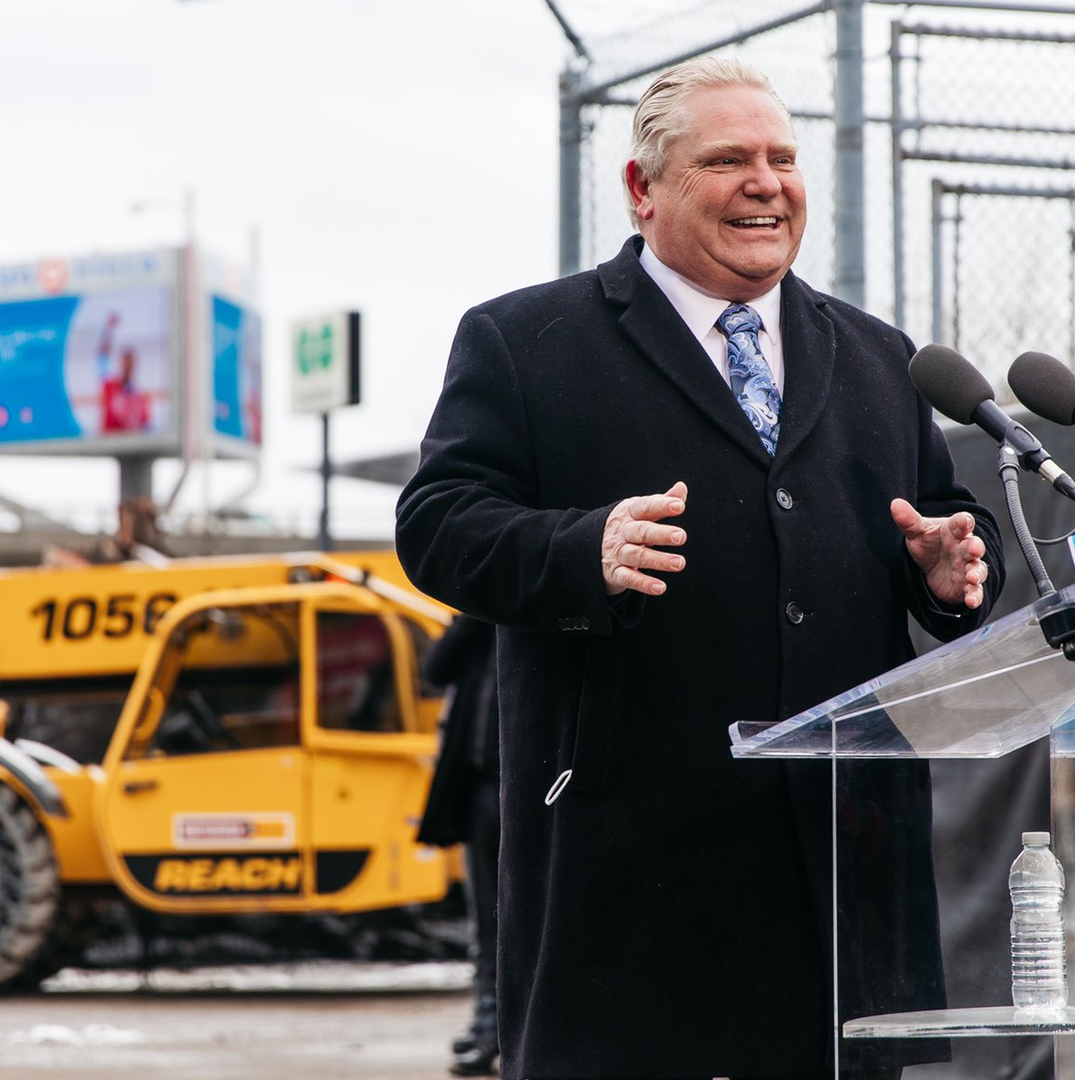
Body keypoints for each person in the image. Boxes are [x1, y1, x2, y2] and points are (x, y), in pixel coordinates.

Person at [394, 56, 1004, 1080]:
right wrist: (576, 550)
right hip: (631, 872)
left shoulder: (877, 356)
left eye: (782, 158)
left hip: (835, 875)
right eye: (728, 161)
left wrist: (945, 573)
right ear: (644, 189)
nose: (767, 183)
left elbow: (936, 520)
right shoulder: (525, 341)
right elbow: (438, 523)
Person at [414, 615, 501, 1076]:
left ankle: (513, 1023)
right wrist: (473, 613)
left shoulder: (541, 621)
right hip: (480, 790)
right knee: (486, 916)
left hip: (534, 794)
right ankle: (489, 1020)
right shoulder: (479, 627)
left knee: (529, 915)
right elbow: (435, 668)